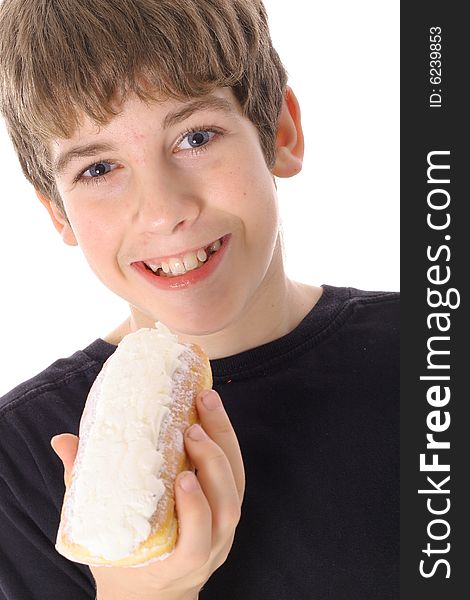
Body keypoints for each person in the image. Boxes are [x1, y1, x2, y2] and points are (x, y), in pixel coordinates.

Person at [0, 1, 399, 599]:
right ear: (57, 211)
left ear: (281, 134)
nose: (163, 211)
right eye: (99, 168)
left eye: (195, 136)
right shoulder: (20, 463)